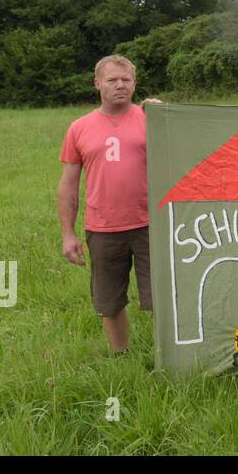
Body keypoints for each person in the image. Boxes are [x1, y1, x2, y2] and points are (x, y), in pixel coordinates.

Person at [58, 54, 160, 353]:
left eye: (126, 80)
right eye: (112, 80)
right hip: (102, 227)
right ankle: (121, 354)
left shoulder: (151, 119)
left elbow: (185, 146)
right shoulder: (79, 127)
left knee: (160, 297)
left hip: (150, 224)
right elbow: (68, 184)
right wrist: (68, 233)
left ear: (134, 83)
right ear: (97, 84)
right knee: (108, 299)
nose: (119, 86)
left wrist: (164, 113)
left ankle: (165, 355)